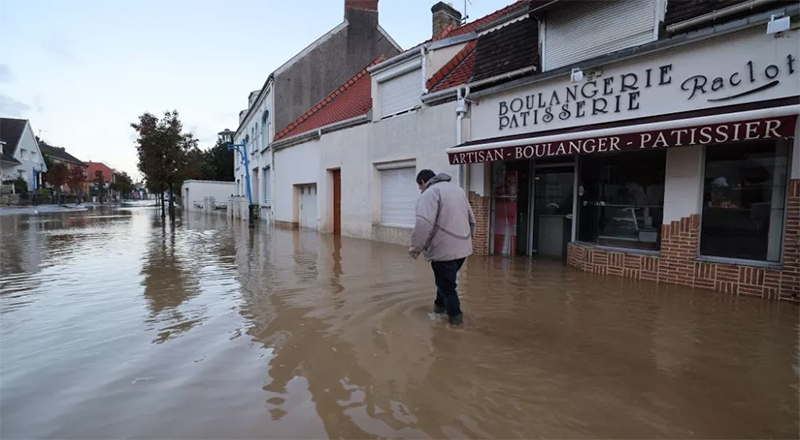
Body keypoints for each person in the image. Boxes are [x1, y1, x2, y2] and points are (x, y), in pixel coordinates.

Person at [409, 169, 475, 326]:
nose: (420, 190)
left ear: (423, 182)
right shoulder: (458, 189)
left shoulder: (430, 193)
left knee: (447, 287)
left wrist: (415, 248)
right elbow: (471, 218)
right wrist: (468, 241)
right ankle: (438, 309)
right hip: (463, 249)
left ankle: (456, 322)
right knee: (444, 282)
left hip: (444, 250)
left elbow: (424, 224)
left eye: (419, 186)